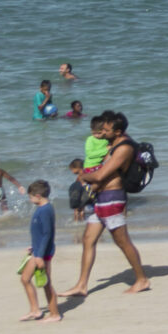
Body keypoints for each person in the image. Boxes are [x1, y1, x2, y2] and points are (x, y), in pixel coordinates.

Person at [69, 111, 147, 297]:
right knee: (88, 239)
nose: (103, 133)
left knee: (122, 241)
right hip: (100, 198)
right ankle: (81, 285)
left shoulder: (124, 149)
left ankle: (141, 279)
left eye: (107, 130)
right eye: (102, 129)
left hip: (112, 198)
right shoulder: (113, 144)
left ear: (118, 131)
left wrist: (83, 176)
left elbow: (100, 175)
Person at [19, 181, 60, 321]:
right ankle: (35, 310)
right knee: (25, 279)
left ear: (38, 196)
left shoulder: (45, 210)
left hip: (43, 254)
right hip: (37, 251)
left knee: (46, 283)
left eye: (30, 197)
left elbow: (47, 234)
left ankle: (55, 314)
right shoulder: (41, 208)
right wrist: (33, 246)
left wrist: (40, 256)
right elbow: (39, 233)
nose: (30, 200)